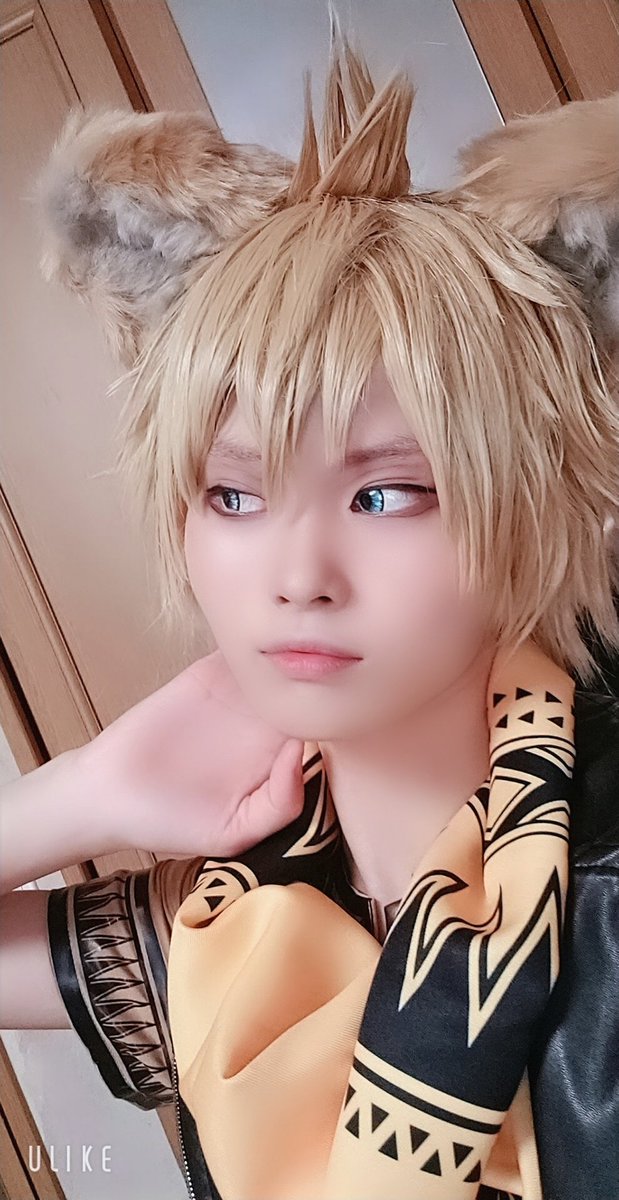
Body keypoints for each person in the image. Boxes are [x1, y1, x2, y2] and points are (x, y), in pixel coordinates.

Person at [1, 24, 619, 1200]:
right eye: (232, 495)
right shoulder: (233, 928)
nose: (297, 574)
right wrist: (88, 788)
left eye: (385, 494)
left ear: (530, 493)